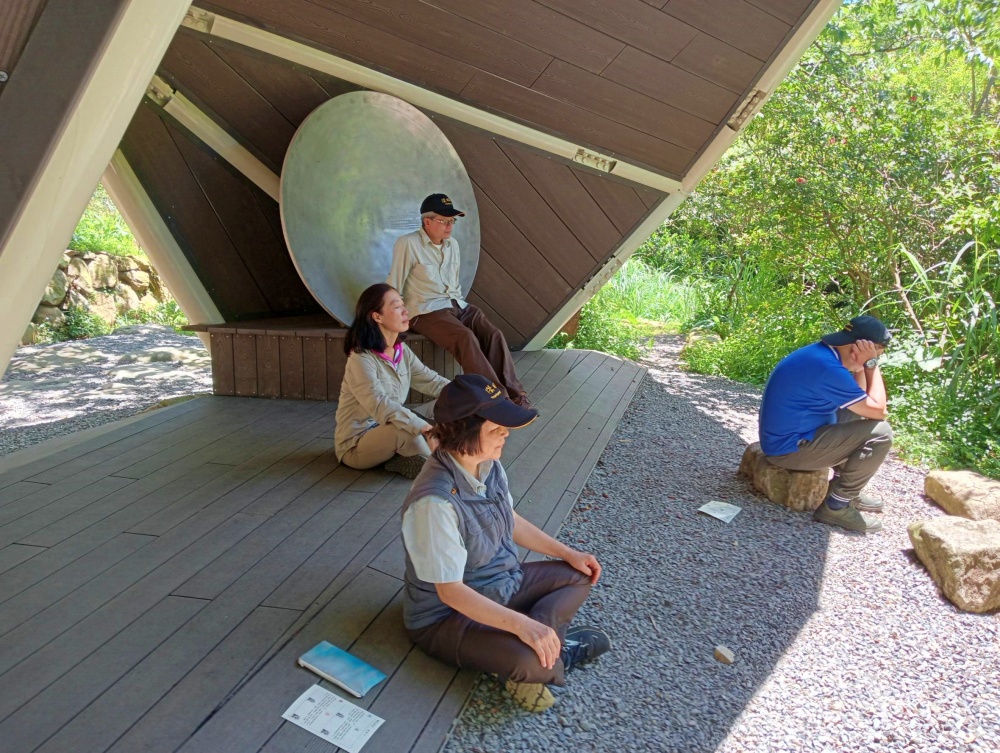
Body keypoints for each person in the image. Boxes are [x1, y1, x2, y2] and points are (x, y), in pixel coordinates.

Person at [401, 374, 610, 712]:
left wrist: (567, 553)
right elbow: (450, 592)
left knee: (582, 573)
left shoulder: (488, 464)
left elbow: (509, 518)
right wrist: (523, 625)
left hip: (501, 584)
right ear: (464, 431)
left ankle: (543, 644)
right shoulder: (433, 503)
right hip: (445, 618)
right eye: (497, 428)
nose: (506, 434)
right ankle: (551, 652)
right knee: (532, 664)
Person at [387, 193, 532, 408]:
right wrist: (394, 322)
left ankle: (516, 392)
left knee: (494, 335)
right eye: (444, 221)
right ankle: (497, 399)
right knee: (466, 338)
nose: (449, 226)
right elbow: (394, 285)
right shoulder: (408, 244)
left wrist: (459, 307)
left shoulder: (452, 245)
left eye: (452, 221)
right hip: (426, 311)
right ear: (427, 221)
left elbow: (453, 285)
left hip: (456, 305)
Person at [758, 315, 893, 533]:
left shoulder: (822, 355)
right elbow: (880, 411)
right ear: (858, 346)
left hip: (798, 434)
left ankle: (843, 489)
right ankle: (836, 506)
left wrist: (862, 365)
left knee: (856, 411)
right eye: (877, 354)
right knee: (881, 433)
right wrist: (871, 365)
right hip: (789, 450)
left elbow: (862, 401)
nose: (876, 359)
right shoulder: (826, 368)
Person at [335, 283, 451, 479]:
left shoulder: (401, 350)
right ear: (377, 316)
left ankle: (402, 457)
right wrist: (425, 428)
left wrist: (470, 394)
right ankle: (425, 458)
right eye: (397, 306)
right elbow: (380, 404)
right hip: (358, 443)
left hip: (393, 424)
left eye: (403, 304)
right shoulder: (361, 358)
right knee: (409, 434)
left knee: (448, 403)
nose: (405, 310)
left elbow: (431, 380)